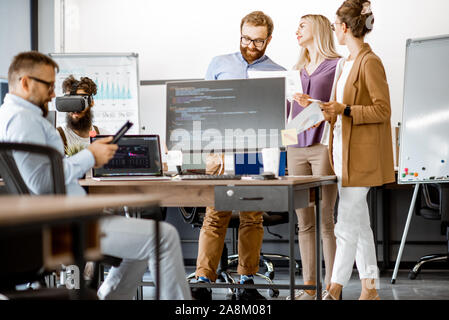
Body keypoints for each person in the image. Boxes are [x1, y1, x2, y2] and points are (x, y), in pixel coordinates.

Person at [0, 51, 191, 300]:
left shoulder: (13, 115)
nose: (53, 94)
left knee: (142, 241)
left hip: (64, 221)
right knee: (163, 236)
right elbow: (42, 183)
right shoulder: (24, 121)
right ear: (25, 82)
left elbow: (45, 175)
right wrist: (90, 156)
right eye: (48, 85)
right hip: (66, 228)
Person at [192, 11, 286, 301]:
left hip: (255, 151)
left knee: (252, 218)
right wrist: (208, 152)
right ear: (240, 33)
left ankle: (247, 280)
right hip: (222, 149)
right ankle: (202, 281)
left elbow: (281, 120)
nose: (251, 46)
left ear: (269, 39)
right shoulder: (219, 64)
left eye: (258, 41)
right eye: (246, 38)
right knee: (215, 216)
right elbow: (203, 108)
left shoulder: (277, 72)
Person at [319, 0, 395, 300]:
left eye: (336, 25)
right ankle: (370, 288)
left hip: (361, 157)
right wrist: (326, 111)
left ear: (346, 27)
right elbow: (340, 109)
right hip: (341, 151)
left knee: (345, 222)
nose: (334, 30)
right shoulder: (344, 63)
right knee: (360, 225)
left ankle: (334, 288)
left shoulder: (369, 61)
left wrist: (346, 109)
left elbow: (382, 109)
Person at [285, 14, 340, 300]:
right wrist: (283, 143)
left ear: (316, 29)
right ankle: (309, 289)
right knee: (304, 221)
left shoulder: (337, 65)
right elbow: (288, 115)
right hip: (295, 147)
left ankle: (333, 288)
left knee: (326, 220)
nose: (297, 31)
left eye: (301, 26)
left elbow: (340, 105)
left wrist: (314, 104)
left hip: (322, 146)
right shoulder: (295, 70)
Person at [57, 75, 108, 155]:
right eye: (70, 101)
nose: (75, 108)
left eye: (80, 100)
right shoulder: (56, 136)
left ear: (91, 102)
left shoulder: (103, 136)